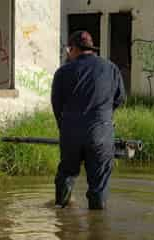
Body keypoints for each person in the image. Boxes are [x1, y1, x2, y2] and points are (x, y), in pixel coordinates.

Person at [51, 30, 126, 210]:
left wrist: (65, 129)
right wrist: (104, 117)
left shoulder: (63, 72)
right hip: (101, 133)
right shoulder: (111, 68)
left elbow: (56, 105)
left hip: (70, 134)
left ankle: (61, 212)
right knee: (98, 185)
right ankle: (98, 228)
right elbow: (120, 98)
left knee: (67, 174)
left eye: (69, 49)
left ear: (74, 49)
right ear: (90, 49)